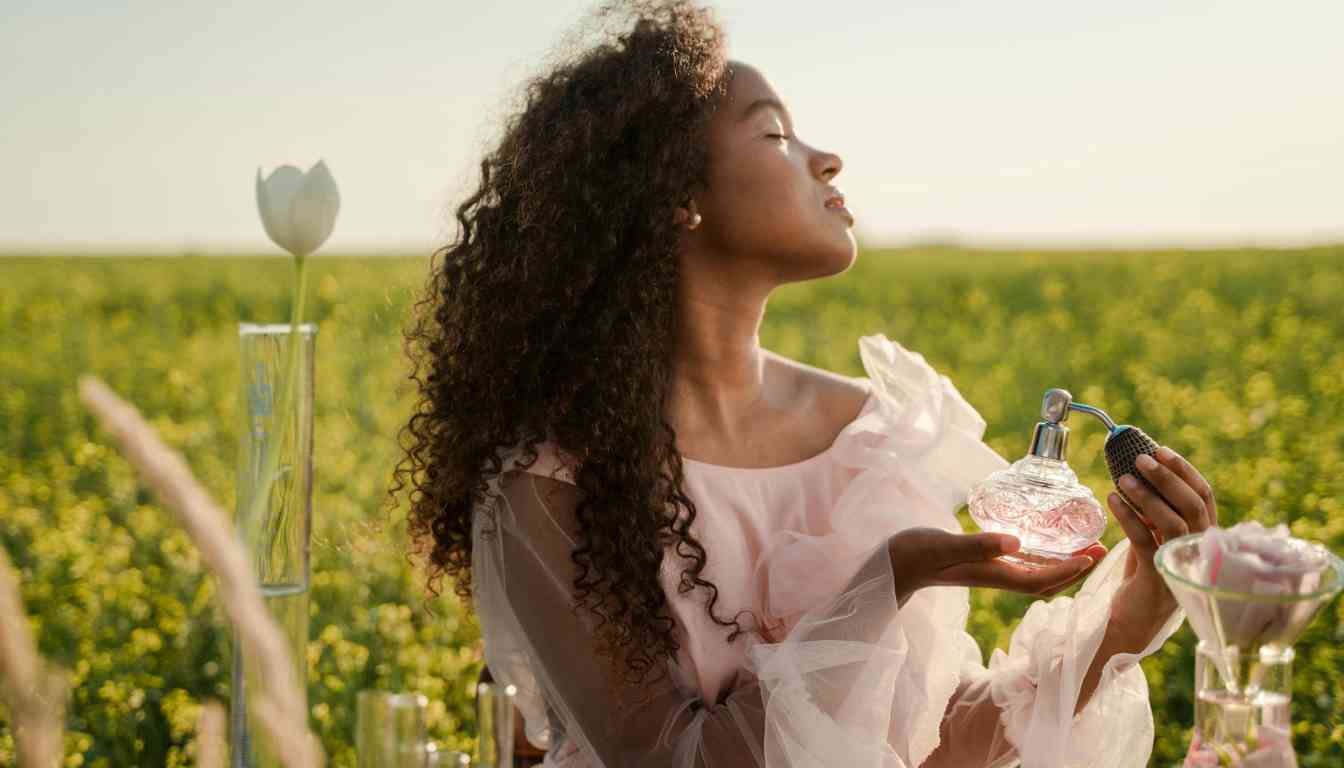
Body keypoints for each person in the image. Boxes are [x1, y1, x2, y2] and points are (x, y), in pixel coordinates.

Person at [393, 1, 1217, 765]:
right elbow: (670, 758)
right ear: (678, 197)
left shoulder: (878, 432)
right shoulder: (550, 478)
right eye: (776, 134)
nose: (826, 158)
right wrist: (888, 578)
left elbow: (931, 747)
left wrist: (1137, 608)